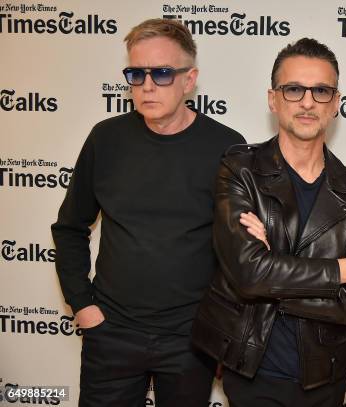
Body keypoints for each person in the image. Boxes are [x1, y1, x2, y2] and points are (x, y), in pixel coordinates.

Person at [51, 18, 244, 407]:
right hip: (112, 332)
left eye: (161, 73)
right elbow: (70, 227)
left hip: (191, 337)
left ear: (189, 80)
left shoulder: (227, 147)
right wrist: (83, 306)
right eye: (136, 74)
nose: (147, 85)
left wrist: (223, 329)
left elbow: (237, 252)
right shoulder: (105, 139)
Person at [190, 38, 346, 407]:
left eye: (321, 91)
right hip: (252, 371)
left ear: (336, 103)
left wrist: (272, 274)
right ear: (273, 99)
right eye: (293, 89)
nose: (307, 102)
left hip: (326, 376)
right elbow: (248, 275)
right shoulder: (240, 169)